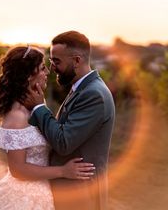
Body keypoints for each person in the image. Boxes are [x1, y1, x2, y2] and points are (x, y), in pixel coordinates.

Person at [0, 45, 95, 210]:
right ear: (28, 76)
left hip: (44, 189)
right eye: (42, 68)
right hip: (23, 197)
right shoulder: (17, 116)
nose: (47, 73)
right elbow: (18, 169)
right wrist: (63, 171)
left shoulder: (37, 105)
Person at [25, 31, 115, 210]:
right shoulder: (83, 88)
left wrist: (39, 107)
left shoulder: (93, 94)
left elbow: (64, 142)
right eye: (51, 61)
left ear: (77, 60)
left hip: (80, 196)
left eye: (56, 61)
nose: (52, 68)